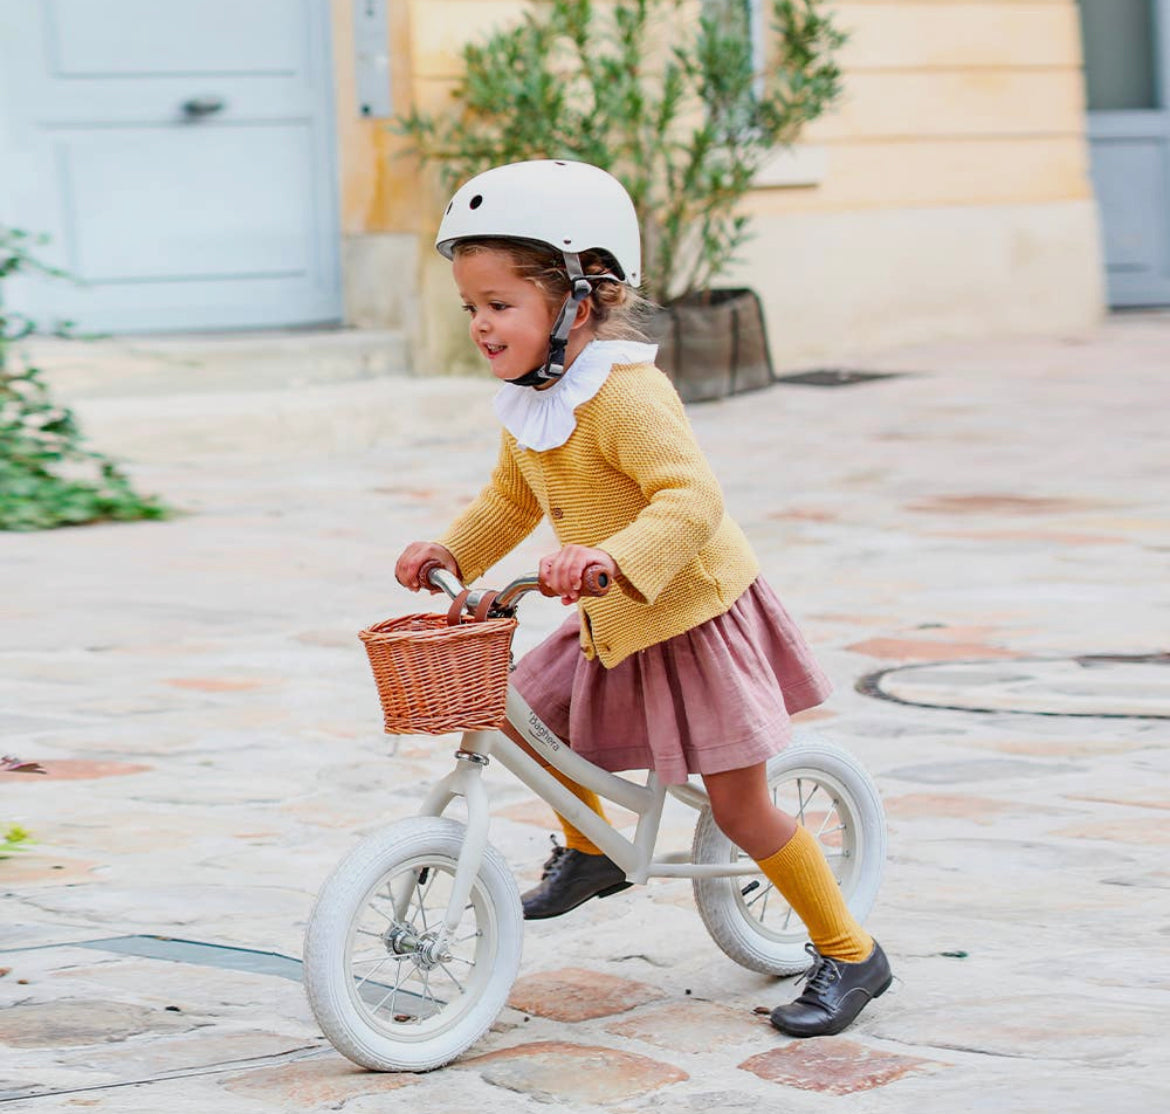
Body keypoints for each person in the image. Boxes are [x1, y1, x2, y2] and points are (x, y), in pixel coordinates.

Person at [395, 159, 891, 1038]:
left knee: (740, 805)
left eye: (499, 305)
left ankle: (850, 952)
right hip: (612, 616)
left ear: (579, 303)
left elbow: (691, 500)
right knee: (517, 717)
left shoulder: (626, 395)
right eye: (470, 306)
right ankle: (593, 853)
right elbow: (511, 501)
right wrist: (451, 549)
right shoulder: (533, 397)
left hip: (690, 615)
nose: (479, 324)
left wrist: (611, 557)